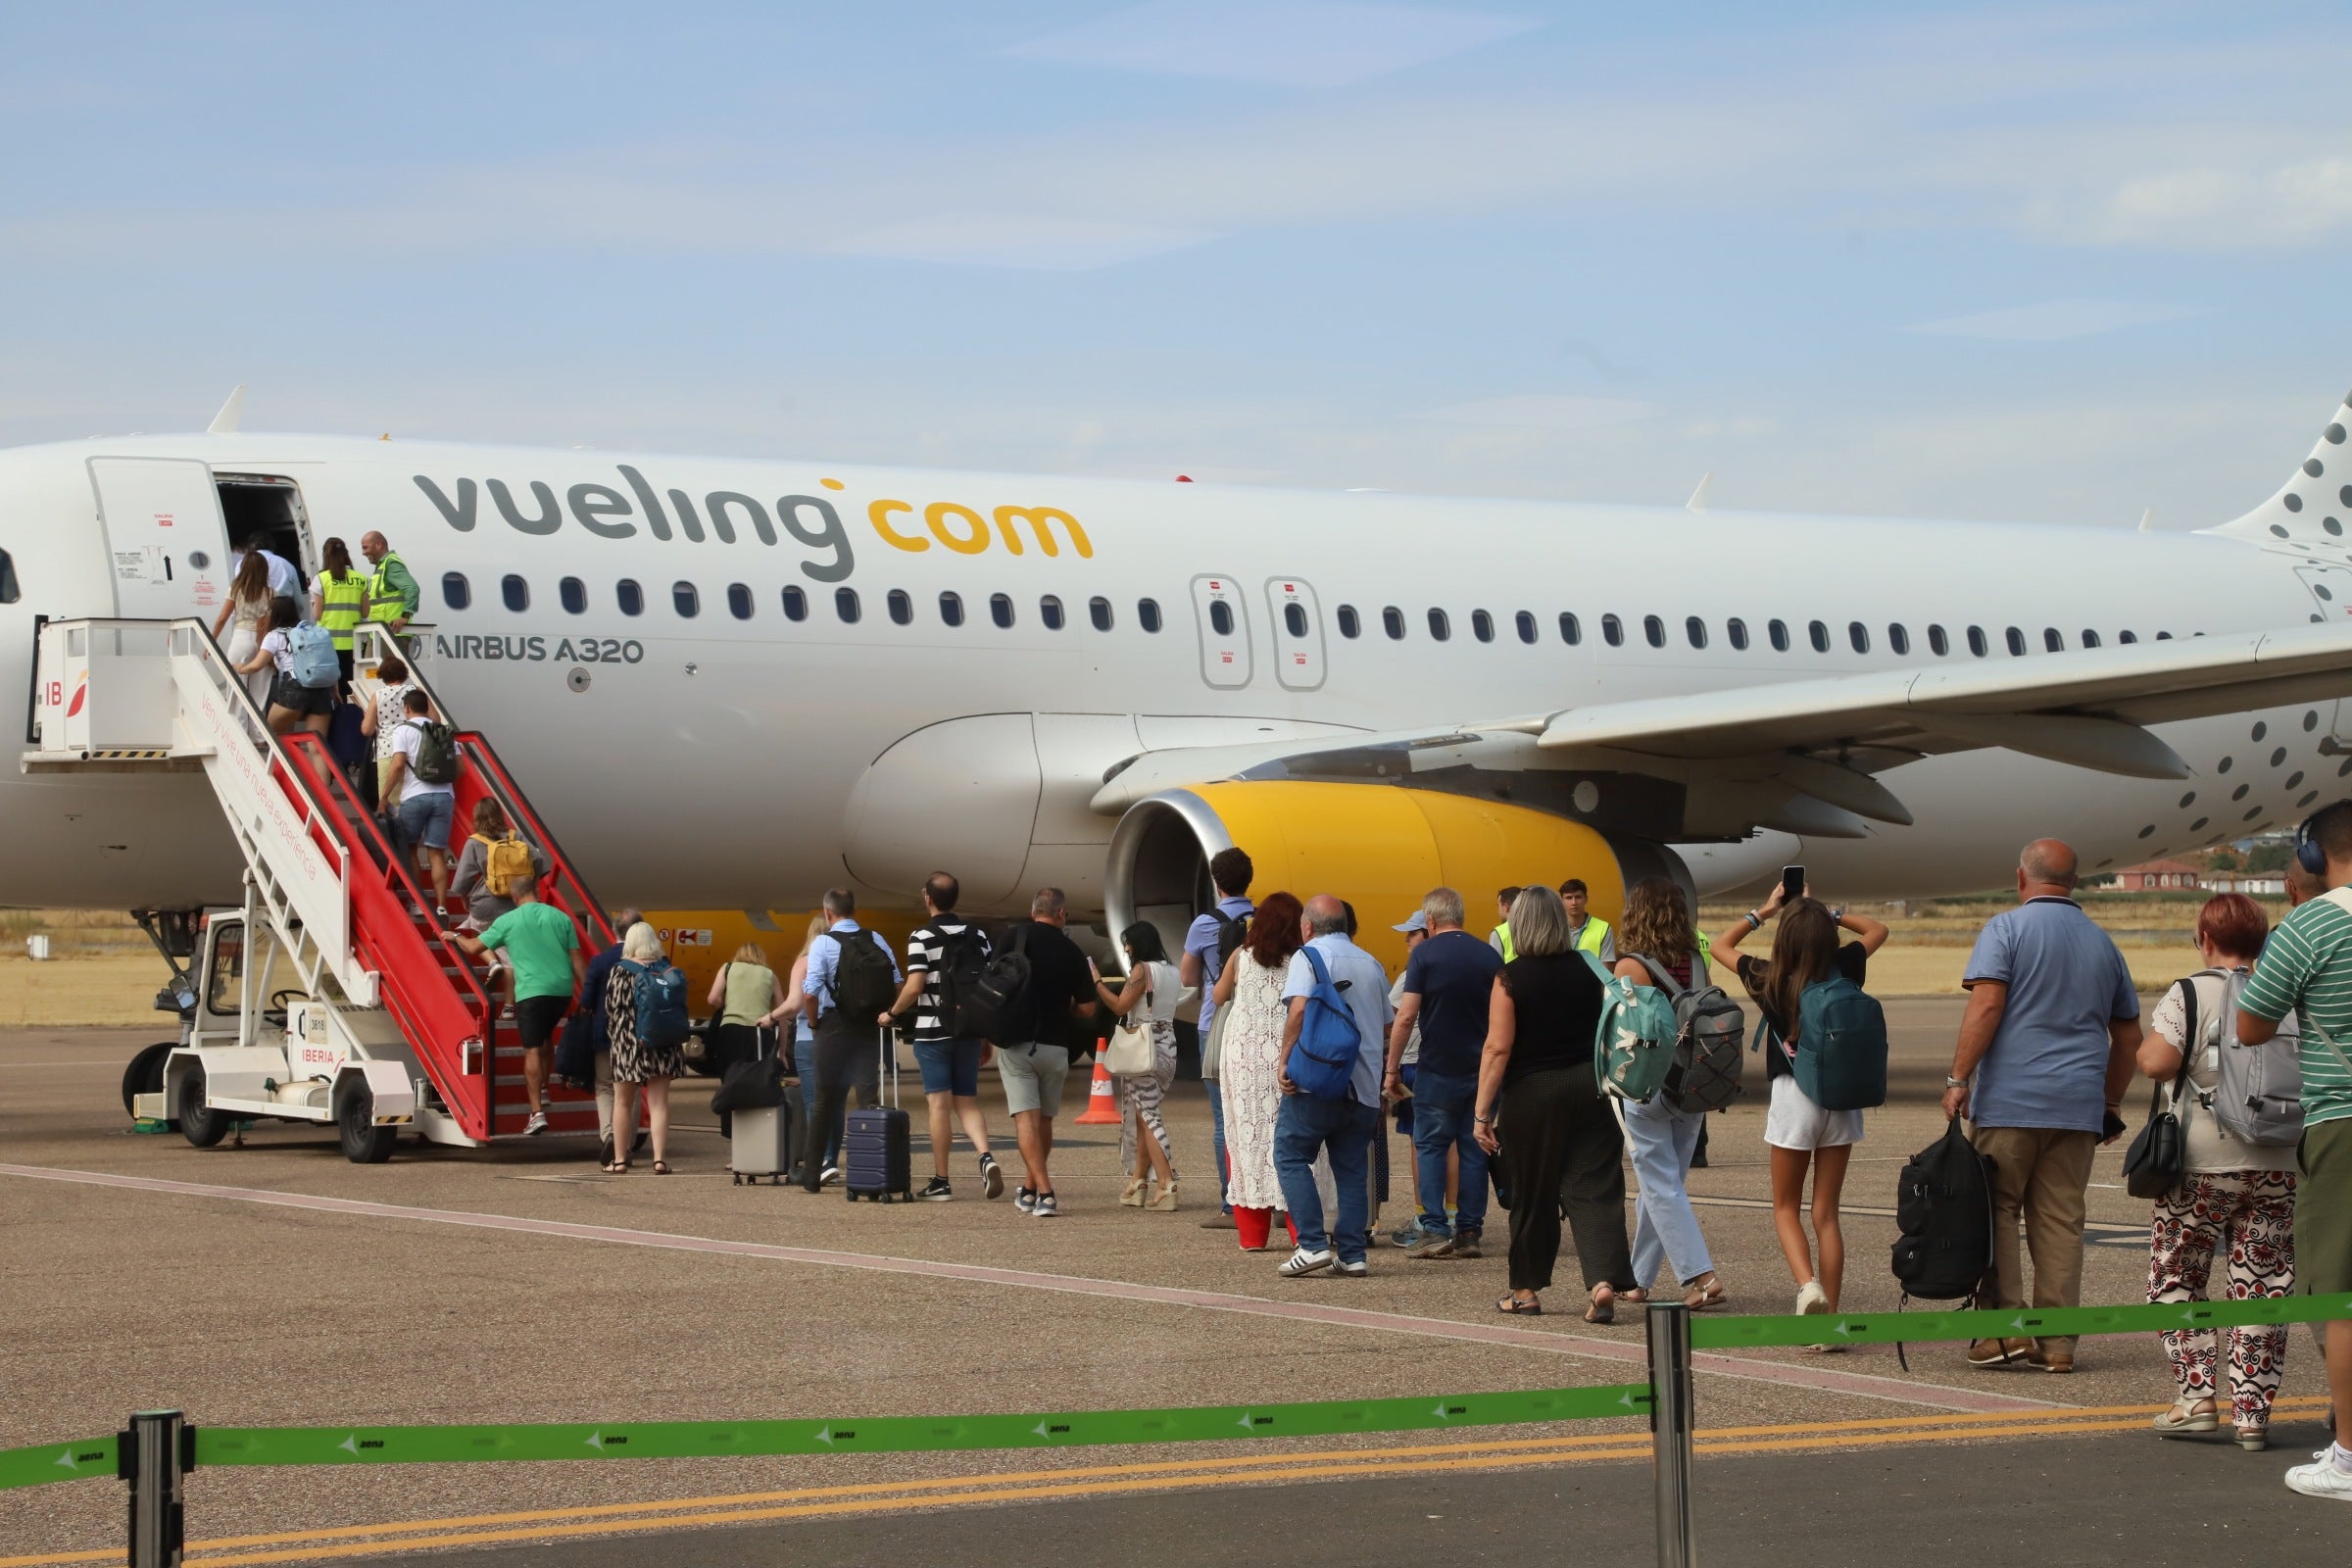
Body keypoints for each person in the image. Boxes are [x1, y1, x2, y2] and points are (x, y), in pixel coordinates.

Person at [1942, 839, 2140, 1375]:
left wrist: (1959, 1077)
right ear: (2073, 882)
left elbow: (1986, 1005)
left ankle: (2005, 1332)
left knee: (1998, 1211)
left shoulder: (2005, 930)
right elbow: (2128, 1038)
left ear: (2021, 877)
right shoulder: (2103, 944)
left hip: (2011, 1102)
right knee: (2059, 1222)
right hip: (2076, 1107)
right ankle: (2058, 1344)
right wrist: (2110, 1100)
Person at [2139, 892, 2297, 1449]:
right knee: (2264, 1283)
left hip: (2202, 1166)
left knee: (2177, 1276)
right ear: (2260, 941)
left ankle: (2198, 1396)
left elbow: (2156, 1062)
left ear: (2204, 939)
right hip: (2278, 1162)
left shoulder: (2190, 991)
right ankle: (2252, 1414)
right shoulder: (2287, 992)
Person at [2238, 799, 2352, 1500]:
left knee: (2339, 1293)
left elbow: (2252, 1026)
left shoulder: (2311, 925)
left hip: (2342, 1122)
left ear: (2313, 859)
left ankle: (2347, 1454)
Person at [1718, 881, 1889, 1326]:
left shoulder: (1767, 976)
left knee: (1785, 1207)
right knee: (1826, 1213)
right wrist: (1832, 914)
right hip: (1843, 1096)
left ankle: (1806, 1285)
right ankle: (1831, 1318)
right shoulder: (1847, 965)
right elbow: (1878, 929)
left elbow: (1720, 945)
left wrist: (1766, 910)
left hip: (1797, 1097)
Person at [1475, 885, 1628, 1320]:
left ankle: (1525, 1291)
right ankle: (1600, 1281)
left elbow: (1497, 1049)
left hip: (1533, 1093)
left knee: (1532, 1192)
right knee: (1595, 1187)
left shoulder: (1509, 977)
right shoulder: (1588, 967)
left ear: (1517, 925)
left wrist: (1481, 1112)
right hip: (1589, 1085)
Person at [1614, 877, 1728, 1311]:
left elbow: (1626, 1030)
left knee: (1659, 1187)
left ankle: (1701, 1276)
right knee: (1664, 1186)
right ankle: (1637, 1278)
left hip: (1648, 1086)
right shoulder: (1696, 960)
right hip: (1693, 1084)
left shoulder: (1631, 966)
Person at [1271, 894, 1392, 1278]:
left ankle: (1311, 1244)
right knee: (1353, 1169)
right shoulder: (1371, 963)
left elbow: (1300, 1008)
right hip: (1365, 1088)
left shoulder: (1308, 958)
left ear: (1307, 927)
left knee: (1290, 1155)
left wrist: (1285, 1059)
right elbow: (1387, 1024)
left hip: (1318, 1083)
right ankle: (1353, 1253)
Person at [1384, 888, 1501, 1260]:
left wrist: (1391, 1068)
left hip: (1436, 1068)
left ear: (1430, 921)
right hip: (1481, 1070)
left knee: (1431, 1145)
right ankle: (1469, 1231)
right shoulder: (1489, 955)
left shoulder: (1424, 955)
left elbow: (1405, 1015)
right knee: (1473, 1147)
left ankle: (1435, 1229)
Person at [882, 872, 1004, 1201]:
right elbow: (987, 984)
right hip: (968, 1029)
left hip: (933, 1033)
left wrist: (891, 1014)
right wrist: (983, 1032)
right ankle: (985, 1157)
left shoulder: (921, 936)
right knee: (967, 1101)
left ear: (928, 899)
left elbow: (914, 986)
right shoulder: (978, 935)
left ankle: (941, 1180)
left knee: (939, 1105)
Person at [1215, 893, 1323, 1250]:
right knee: (1293, 1140)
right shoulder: (1302, 960)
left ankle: (1252, 1236)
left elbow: (1217, 997)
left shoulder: (1240, 956)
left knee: (1244, 1137)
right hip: (1286, 1054)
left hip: (1242, 1055)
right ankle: (1299, 1232)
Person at [988, 888, 1096, 1217]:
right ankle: (1031, 1189)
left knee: (1025, 1121)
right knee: (1044, 1121)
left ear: (1033, 910)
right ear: (1062, 913)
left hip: (1018, 1043)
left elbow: (990, 984)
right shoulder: (1073, 950)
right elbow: (1088, 1010)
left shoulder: (1013, 938)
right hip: (1056, 1047)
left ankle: (1046, 1192)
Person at [452, 876, 585, 1136]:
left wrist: (454, 935)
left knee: (532, 1049)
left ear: (513, 898)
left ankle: (536, 1113)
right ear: (536, 892)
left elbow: (473, 947)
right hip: (561, 991)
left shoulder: (508, 921)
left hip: (531, 993)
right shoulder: (560, 918)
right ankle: (544, 1088)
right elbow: (578, 961)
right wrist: (589, 995)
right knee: (546, 1037)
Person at [798, 889, 902, 1194]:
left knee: (823, 1103)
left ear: (828, 913)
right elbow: (896, 980)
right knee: (867, 1100)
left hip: (833, 1027)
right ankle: (869, 1173)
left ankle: (812, 1176)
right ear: (854, 910)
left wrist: (815, 1025)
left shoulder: (823, 943)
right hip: (868, 1028)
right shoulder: (875, 939)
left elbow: (809, 992)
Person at [1182, 847, 1254, 1231]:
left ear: (1216, 881)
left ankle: (1231, 1204)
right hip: (1258, 1020)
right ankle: (1267, 1198)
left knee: (1222, 1118)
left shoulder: (1205, 924)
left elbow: (1187, 977)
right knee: (1260, 1112)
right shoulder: (1261, 920)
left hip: (1217, 1023)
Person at [1092, 922, 1184, 1211]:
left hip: (1143, 1048)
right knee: (1142, 1115)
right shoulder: (1171, 970)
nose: (1127, 949)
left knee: (1149, 1115)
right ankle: (1137, 1181)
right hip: (1167, 1042)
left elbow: (1120, 1006)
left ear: (1138, 944)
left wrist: (1097, 983)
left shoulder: (1142, 970)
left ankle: (1166, 1183)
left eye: (1128, 943)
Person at [602, 921, 683, 1173]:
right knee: (659, 1103)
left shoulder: (621, 970)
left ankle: (620, 1161)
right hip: (664, 1043)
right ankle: (659, 1160)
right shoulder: (668, 970)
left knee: (622, 1102)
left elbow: (612, 1008)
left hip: (628, 1043)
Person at [761, 914, 833, 1184]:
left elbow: (794, 1003)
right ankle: (829, 1160)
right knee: (835, 1103)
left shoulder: (805, 962)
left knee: (814, 1103)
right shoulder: (841, 960)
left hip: (809, 1036)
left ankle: (814, 1165)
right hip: (838, 1039)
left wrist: (771, 1016)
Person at [576, 905, 643, 1161]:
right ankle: (625, 1144)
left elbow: (587, 1001)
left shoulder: (601, 961)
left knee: (605, 1088)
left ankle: (609, 1136)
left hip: (605, 1033)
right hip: (637, 1035)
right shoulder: (652, 961)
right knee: (633, 1089)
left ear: (615, 930)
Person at [383, 687, 456, 919]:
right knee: (437, 853)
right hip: (444, 796)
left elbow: (397, 765)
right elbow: (461, 769)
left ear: (406, 709)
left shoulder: (403, 730)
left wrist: (384, 797)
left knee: (411, 848)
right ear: (426, 707)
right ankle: (442, 906)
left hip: (414, 796)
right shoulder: (443, 732)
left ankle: (418, 902)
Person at [707, 939, 786, 1139]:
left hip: (731, 1031)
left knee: (731, 1085)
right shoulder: (770, 975)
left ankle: (735, 1146)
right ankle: (757, 1143)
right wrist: (782, 1051)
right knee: (758, 1086)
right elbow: (782, 1012)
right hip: (760, 1032)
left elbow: (712, 998)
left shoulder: (728, 968)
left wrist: (729, 1004)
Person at [233, 595, 334, 738]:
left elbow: (256, 666)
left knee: (271, 733)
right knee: (317, 747)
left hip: (295, 690)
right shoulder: (314, 632)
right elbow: (325, 662)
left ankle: (286, 758)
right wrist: (335, 691)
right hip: (323, 690)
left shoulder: (274, 635)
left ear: (275, 615)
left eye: (268, 611)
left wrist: (240, 668)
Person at [450, 800, 552, 932]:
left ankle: (489, 951)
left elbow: (462, 880)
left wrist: (465, 900)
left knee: (478, 933)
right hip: (517, 903)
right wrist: (532, 884)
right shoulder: (516, 835)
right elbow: (538, 859)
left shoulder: (474, 842)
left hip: (486, 906)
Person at [212, 549, 274, 709]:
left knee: (237, 693)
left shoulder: (236, 589)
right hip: (263, 642)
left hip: (241, 639)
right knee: (259, 697)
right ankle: (258, 734)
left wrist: (212, 640)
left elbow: (222, 618)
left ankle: (238, 731)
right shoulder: (271, 593)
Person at [359, 652, 418, 813]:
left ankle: (395, 835)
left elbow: (367, 730)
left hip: (387, 752)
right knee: (413, 798)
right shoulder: (415, 691)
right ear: (404, 674)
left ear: (383, 677)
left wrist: (369, 718)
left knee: (390, 804)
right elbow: (434, 719)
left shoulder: (378, 696)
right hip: (414, 750)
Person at [309, 536, 368, 691]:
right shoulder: (361, 579)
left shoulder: (321, 579)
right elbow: (366, 612)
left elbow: (318, 615)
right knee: (351, 687)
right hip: (354, 642)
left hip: (327, 643)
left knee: (330, 688)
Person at [361, 530, 420, 637]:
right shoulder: (382, 566)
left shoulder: (391, 563)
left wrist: (404, 617)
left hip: (392, 634)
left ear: (378, 545)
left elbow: (412, 588)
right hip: (382, 633)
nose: (363, 553)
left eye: (366, 547)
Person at [1559, 878, 1617, 960]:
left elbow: (1607, 969)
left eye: (1578, 897)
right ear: (1561, 901)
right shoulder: (1554, 928)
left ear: (1586, 899)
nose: (1574, 902)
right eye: (1569, 898)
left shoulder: (1603, 928)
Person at [1488, 886, 1523, 960]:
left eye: (1499, 906)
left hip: (1510, 972)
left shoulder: (1498, 933)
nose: (1498, 911)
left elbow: (1495, 965)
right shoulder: (1535, 926)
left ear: (1506, 907)